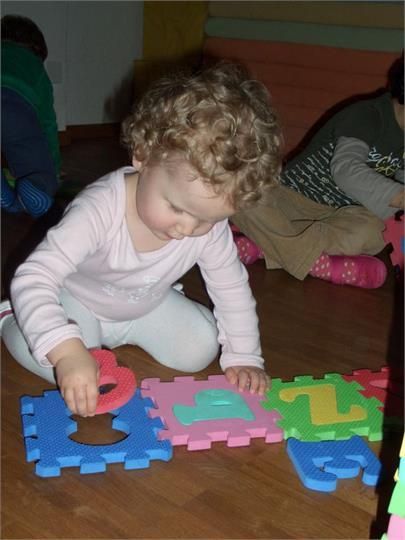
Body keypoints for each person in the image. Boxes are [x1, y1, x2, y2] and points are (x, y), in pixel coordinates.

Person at [0, 63, 282, 417]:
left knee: (201, 347)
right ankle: (12, 318)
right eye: (176, 208)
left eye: (208, 219)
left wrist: (245, 356)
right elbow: (34, 277)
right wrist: (67, 352)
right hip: (76, 302)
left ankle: (101, 339)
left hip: (144, 305)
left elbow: (231, 289)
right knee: (68, 368)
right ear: (143, 155)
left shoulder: (206, 226)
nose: (188, 228)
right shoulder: (99, 209)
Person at [232, 56, 404, 288]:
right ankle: (318, 263)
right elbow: (346, 171)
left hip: (337, 216)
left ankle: (262, 247)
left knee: (374, 232)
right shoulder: (369, 115)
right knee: (242, 194)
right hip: (289, 198)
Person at [1, 14, 61, 217]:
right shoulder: (35, 67)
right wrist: (54, 169)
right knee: (36, 169)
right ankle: (38, 185)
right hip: (13, 111)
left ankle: (11, 201)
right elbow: (48, 125)